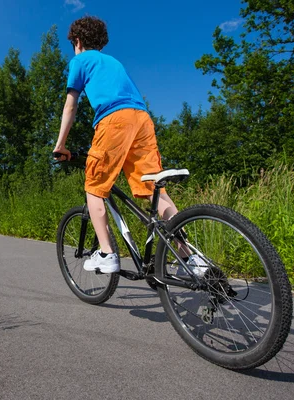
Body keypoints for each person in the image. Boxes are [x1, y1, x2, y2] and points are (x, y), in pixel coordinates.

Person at [53, 16, 205, 275]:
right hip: (142, 120)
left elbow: (71, 106)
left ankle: (107, 253)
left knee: (94, 187)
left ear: (77, 41)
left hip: (114, 121)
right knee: (153, 188)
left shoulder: (79, 60)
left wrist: (61, 145)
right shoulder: (113, 61)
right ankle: (190, 258)